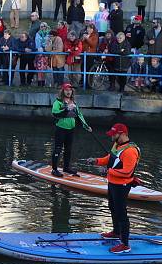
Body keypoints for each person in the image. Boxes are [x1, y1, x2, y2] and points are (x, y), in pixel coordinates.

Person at [86, 123, 141, 254]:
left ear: (122, 134)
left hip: (122, 185)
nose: (111, 136)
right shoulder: (117, 145)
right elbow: (110, 158)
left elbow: (127, 172)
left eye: (113, 134)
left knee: (121, 213)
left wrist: (108, 171)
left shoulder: (130, 151)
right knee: (112, 206)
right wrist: (97, 161)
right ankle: (116, 232)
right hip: (112, 183)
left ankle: (125, 244)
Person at [51, 83, 92, 177]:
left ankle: (66, 168)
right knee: (58, 149)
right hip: (60, 129)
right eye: (66, 90)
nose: (68, 92)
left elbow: (79, 115)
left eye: (70, 90)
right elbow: (55, 114)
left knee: (68, 149)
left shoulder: (74, 103)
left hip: (71, 129)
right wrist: (66, 109)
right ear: (62, 91)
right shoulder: (58, 102)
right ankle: (54, 169)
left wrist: (86, 126)